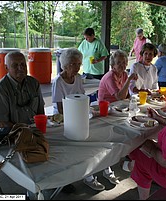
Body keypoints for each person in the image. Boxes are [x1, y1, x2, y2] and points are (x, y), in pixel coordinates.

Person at [51, 48, 119, 191]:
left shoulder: (78, 78)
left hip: (80, 116)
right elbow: (60, 109)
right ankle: (88, 176)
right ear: (65, 64)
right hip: (63, 120)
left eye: (78, 64)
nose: (77, 67)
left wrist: (89, 112)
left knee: (100, 137)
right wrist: (81, 116)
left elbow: (83, 99)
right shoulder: (58, 81)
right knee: (85, 144)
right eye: (73, 64)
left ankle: (106, 169)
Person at [0, 51, 45, 128]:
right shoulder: (0, 89)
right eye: (15, 65)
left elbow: (41, 113)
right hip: (13, 134)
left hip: (35, 131)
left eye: (23, 64)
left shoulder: (34, 83)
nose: (20, 68)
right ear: (6, 68)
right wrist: (22, 130)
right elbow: (1, 123)